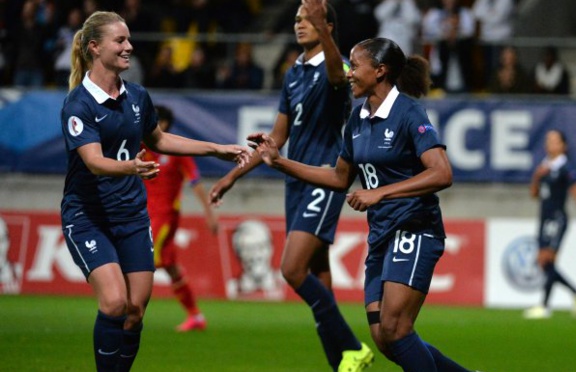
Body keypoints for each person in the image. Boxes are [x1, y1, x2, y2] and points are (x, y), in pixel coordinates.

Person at [249, 37, 471, 371]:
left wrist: (380, 192)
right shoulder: (357, 119)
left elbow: (442, 173)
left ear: (380, 71)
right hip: (381, 234)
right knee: (384, 338)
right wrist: (279, 162)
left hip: (414, 228)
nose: (348, 73)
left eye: (355, 65)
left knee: (397, 328)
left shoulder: (409, 112)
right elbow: (339, 178)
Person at [60, 11, 249, 371]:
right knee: (114, 303)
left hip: (131, 216)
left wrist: (216, 148)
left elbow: (159, 139)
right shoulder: (78, 104)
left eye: (129, 39)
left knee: (135, 311)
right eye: (120, 41)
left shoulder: (137, 96)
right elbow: (95, 162)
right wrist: (131, 167)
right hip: (89, 217)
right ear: (95, 47)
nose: (129, 46)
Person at [210, 1, 374, 371]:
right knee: (318, 277)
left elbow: (338, 76)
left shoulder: (339, 69)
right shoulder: (293, 73)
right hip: (296, 184)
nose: (299, 24)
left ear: (327, 25)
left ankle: (353, 347)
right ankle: (343, 364)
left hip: (324, 177)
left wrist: (327, 31)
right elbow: (277, 138)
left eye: (309, 19)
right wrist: (232, 175)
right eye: (297, 19)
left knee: (291, 269)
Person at [142, 105, 219, 332]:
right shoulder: (142, 146)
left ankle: (129, 310)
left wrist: (209, 214)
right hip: (144, 214)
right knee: (169, 265)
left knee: (145, 259)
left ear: (164, 124)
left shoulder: (177, 150)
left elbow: (195, 182)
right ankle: (195, 316)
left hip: (166, 216)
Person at [523, 130, 576, 319]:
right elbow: (534, 195)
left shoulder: (565, 168)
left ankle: (545, 306)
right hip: (544, 218)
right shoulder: (544, 166)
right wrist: (537, 176)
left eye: (554, 141)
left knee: (546, 259)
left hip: (557, 218)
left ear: (563, 146)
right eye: (548, 140)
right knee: (545, 262)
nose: (550, 144)